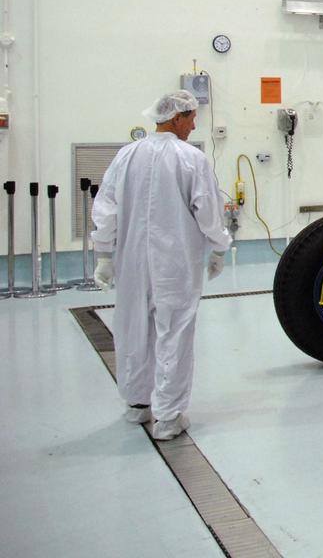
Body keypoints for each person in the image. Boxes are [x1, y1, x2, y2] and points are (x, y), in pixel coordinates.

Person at [91, 91, 232, 441]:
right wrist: (219, 247)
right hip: (175, 261)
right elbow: (207, 211)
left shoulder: (127, 155)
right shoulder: (191, 159)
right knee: (175, 331)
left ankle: (137, 404)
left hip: (132, 262)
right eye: (192, 118)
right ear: (177, 117)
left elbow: (105, 206)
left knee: (133, 328)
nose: (194, 125)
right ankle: (168, 417)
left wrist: (104, 253)